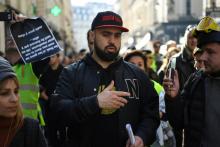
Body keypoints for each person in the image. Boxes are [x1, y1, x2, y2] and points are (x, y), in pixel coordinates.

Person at [50, 11, 160, 147]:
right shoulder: (72, 73)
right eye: (106, 34)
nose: (112, 41)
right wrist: (95, 102)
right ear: (92, 35)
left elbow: (151, 114)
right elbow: (58, 111)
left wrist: (141, 137)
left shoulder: (137, 74)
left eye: (117, 35)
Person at [163, 16, 220, 146]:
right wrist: (173, 98)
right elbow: (179, 122)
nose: (203, 57)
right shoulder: (196, 80)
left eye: (210, 52)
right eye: (202, 51)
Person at [0, 57, 47, 147]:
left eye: (16, 91)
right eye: (4, 93)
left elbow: (44, 59)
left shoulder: (31, 130)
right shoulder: (13, 68)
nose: (14, 99)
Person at [164, 25, 197, 147]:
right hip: (180, 111)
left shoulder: (204, 58)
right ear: (185, 39)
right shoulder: (175, 60)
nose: (193, 40)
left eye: (196, 37)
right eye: (190, 37)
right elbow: (170, 87)